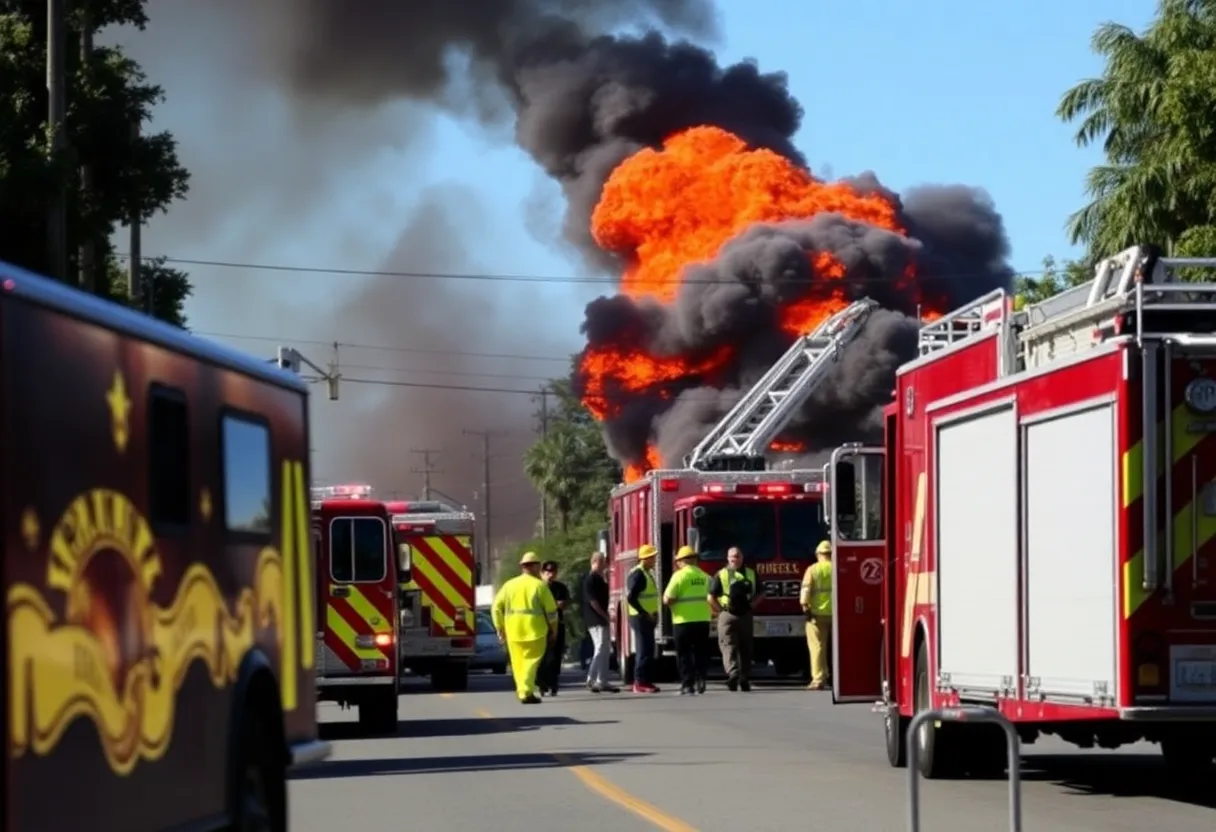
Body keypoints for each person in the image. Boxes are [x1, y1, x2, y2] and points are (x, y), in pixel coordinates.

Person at [492, 551, 558, 704]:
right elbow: (552, 612)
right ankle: (527, 691)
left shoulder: (509, 585)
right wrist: (554, 629)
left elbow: (496, 607)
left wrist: (499, 626)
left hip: (513, 632)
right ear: (535, 567)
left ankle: (522, 691)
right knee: (531, 662)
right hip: (535, 631)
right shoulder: (539, 586)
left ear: (522, 567)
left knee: (518, 664)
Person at [707, 546, 758, 692]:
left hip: (730, 615)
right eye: (733, 557)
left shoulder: (721, 574)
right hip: (742, 615)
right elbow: (761, 593)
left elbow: (711, 597)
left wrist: (720, 611)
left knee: (729, 646)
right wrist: (753, 605)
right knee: (744, 647)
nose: (735, 559)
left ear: (742, 557)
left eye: (737, 556)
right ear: (728, 558)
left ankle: (734, 673)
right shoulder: (750, 573)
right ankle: (742, 677)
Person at [663, 546, 712, 695]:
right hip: (703, 620)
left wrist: (671, 602)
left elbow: (668, 598)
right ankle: (701, 678)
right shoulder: (705, 576)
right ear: (695, 560)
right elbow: (713, 597)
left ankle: (687, 684)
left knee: (683, 654)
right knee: (700, 652)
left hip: (682, 621)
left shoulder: (679, 576)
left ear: (682, 561)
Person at [625, 544, 661, 694]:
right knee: (643, 650)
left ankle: (645, 680)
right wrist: (645, 612)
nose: (655, 560)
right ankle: (639, 682)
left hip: (646, 616)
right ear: (644, 559)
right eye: (652, 557)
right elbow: (631, 598)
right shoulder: (638, 574)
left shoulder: (646, 572)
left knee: (647, 649)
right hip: (640, 617)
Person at [582, 551, 618, 693]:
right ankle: (591, 678)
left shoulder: (600, 578)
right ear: (595, 562)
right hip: (595, 619)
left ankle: (602, 680)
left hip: (601, 618)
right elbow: (593, 602)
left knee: (604, 650)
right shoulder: (590, 579)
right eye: (602, 562)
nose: (604, 565)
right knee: (600, 647)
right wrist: (604, 616)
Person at [800, 540, 834, 691]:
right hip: (835, 614)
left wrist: (805, 606)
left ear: (818, 554)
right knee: (836, 647)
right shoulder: (837, 567)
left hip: (817, 614)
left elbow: (806, 590)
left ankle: (818, 679)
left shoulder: (812, 569)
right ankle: (835, 676)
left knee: (817, 647)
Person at [537, 560, 570, 696]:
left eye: (553, 572)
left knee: (556, 657)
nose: (550, 574)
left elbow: (561, 604)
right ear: (542, 573)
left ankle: (554, 683)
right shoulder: (538, 588)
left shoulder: (560, 588)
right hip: (541, 627)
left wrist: (551, 606)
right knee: (543, 658)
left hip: (557, 626)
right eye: (547, 572)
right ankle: (542, 684)